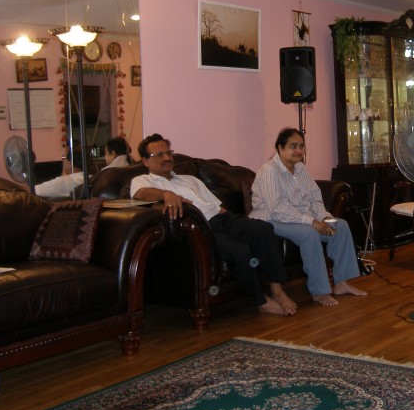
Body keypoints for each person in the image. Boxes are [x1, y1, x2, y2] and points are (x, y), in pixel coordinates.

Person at [130, 134, 297, 316]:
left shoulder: (189, 179)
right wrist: (165, 194)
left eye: (168, 153)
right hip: (200, 229)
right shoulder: (142, 181)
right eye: (159, 155)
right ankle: (261, 301)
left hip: (221, 219)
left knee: (263, 229)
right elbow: (140, 194)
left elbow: (218, 207)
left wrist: (237, 222)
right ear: (145, 161)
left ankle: (277, 290)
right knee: (240, 251)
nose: (167, 158)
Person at [250, 128, 366, 306]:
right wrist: (312, 222)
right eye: (293, 146)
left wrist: (324, 217)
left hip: (299, 218)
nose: (298, 151)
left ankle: (341, 283)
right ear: (280, 148)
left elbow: (314, 198)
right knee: (309, 234)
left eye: (301, 146)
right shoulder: (269, 171)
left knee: (340, 226)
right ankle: (319, 291)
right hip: (271, 219)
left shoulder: (300, 168)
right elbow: (278, 209)